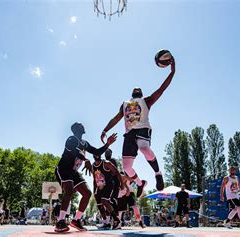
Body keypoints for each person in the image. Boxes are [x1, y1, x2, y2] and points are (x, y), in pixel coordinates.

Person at [100, 57, 176, 195]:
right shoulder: (125, 104)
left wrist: (172, 72)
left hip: (142, 129)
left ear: (140, 93)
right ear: (132, 94)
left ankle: (158, 173)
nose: (136, 88)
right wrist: (105, 129)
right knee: (127, 168)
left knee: (144, 148)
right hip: (129, 134)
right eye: (135, 88)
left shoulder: (147, 101)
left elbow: (162, 89)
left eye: (139, 89)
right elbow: (117, 118)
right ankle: (141, 184)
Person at [54, 122, 117, 232]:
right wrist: (85, 159)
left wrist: (107, 144)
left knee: (87, 193)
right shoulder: (71, 139)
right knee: (68, 190)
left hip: (73, 171)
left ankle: (76, 220)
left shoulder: (85, 143)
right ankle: (60, 221)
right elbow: (75, 150)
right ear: (75, 129)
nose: (83, 125)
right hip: (64, 169)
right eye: (80, 125)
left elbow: (96, 151)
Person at [92, 153, 124, 230]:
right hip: (100, 186)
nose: (97, 156)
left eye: (98, 153)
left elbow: (117, 172)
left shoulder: (106, 163)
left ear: (100, 155)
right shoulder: (93, 165)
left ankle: (117, 220)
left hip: (109, 185)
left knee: (104, 200)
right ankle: (106, 222)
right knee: (100, 205)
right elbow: (94, 178)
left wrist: (122, 184)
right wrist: (95, 189)